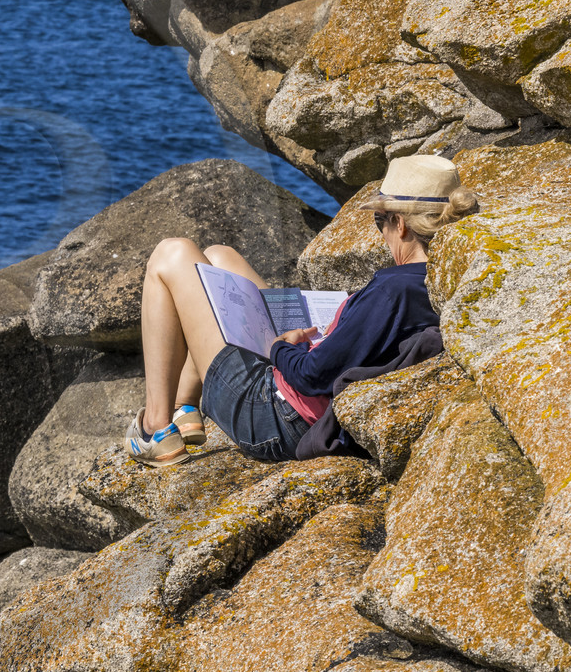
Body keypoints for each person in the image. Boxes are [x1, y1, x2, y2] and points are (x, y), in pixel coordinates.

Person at [127, 154, 481, 467]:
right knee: (220, 258)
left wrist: (280, 347)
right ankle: (185, 408)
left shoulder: (394, 291)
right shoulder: (445, 278)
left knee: (172, 253)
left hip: (274, 416)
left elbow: (312, 375)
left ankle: (154, 429)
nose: (381, 233)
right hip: (301, 403)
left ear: (400, 224)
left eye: (379, 220)